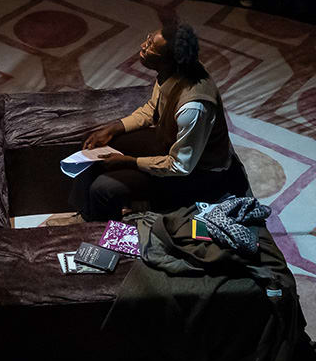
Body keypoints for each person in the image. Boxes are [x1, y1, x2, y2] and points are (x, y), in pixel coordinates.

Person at [72, 20, 247, 221]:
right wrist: (114, 128)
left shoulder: (193, 106)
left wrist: (131, 162)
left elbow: (180, 166)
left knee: (103, 188)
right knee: (94, 143)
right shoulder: (171, 72)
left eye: (150, 48)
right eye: (147, 40)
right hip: (170, 144)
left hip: (196, 175)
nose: (142, 47)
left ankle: (101, 226)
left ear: (168, 60)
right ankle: (85, 212)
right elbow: (151, 110)